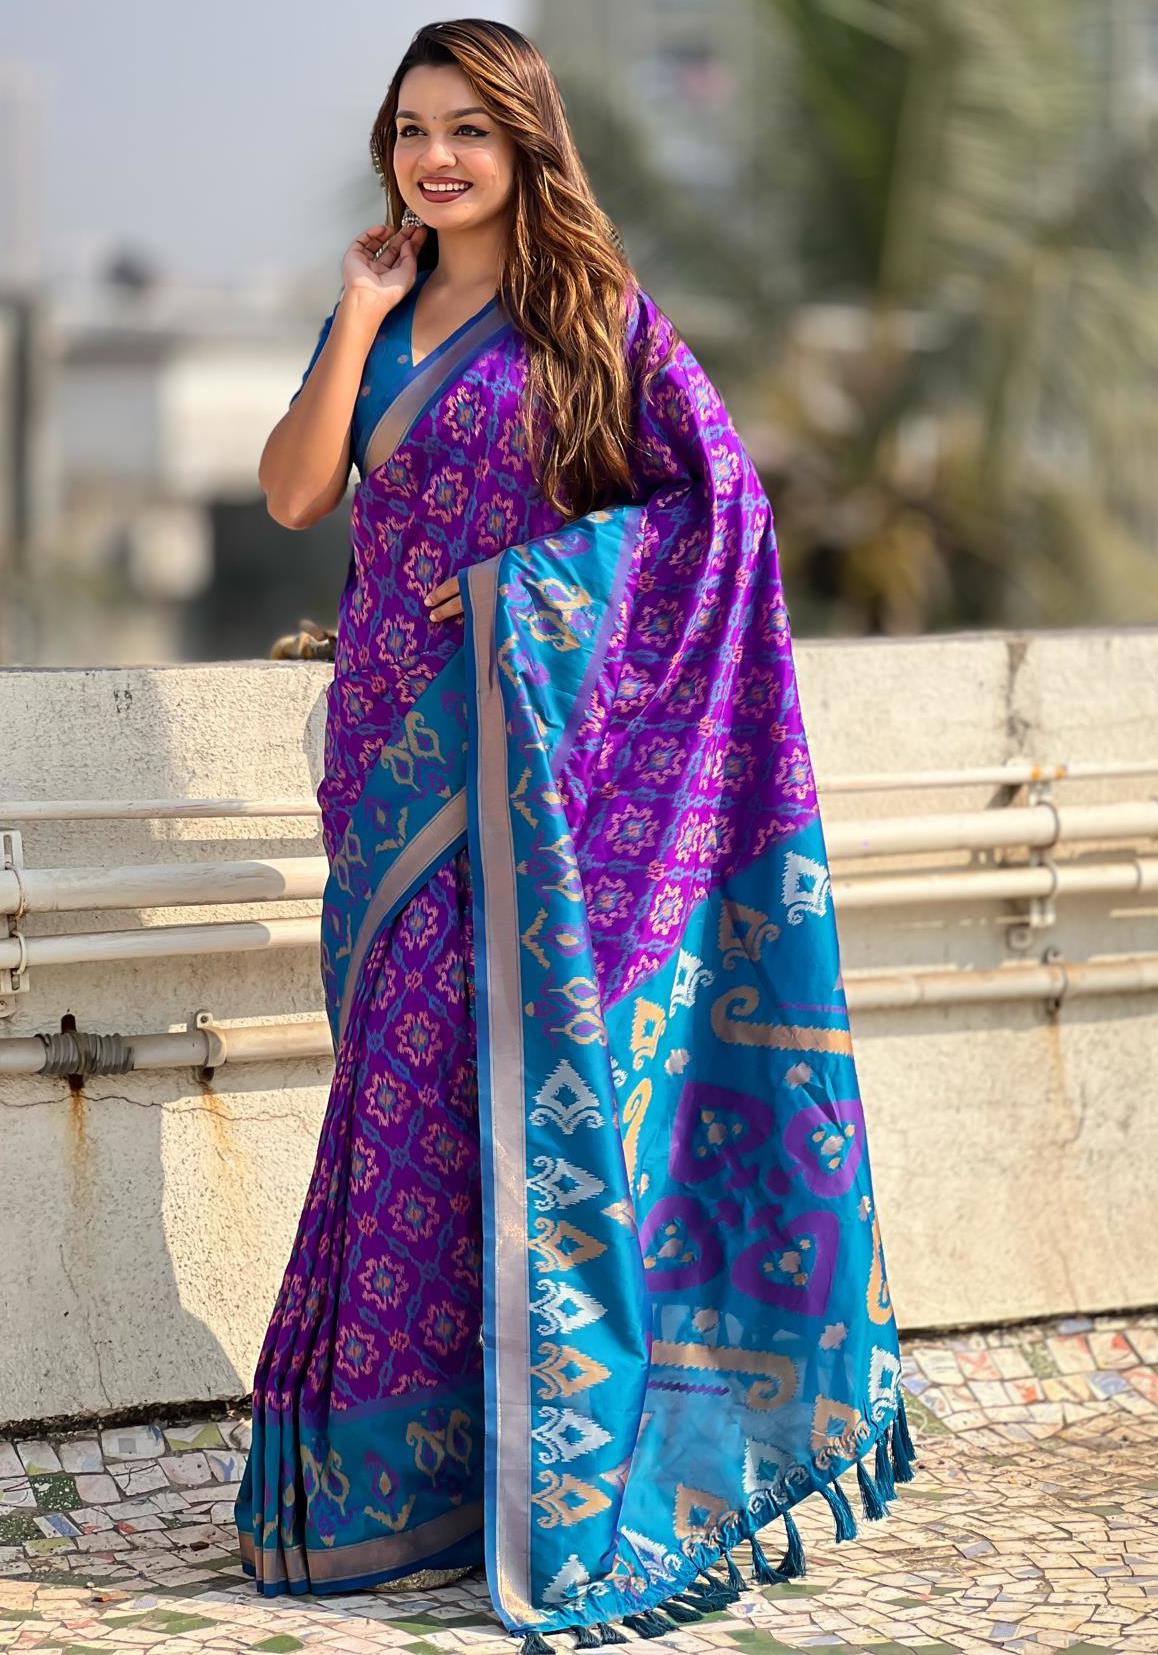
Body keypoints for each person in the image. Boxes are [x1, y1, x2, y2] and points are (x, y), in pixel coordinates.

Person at [235, 17, 918, 1651]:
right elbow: (294, 495)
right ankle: (407, 1489)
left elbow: (718, 520)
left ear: (525, 143)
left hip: (550, 795)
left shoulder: (595, 322)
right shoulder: (380, 319)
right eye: (412, 128)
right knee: (402, 1101)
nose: (436, 157)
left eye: (469, 128)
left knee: (534, 1106)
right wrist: (356, 313)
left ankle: (574, 1473)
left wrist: (532, 597)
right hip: (393, 779)